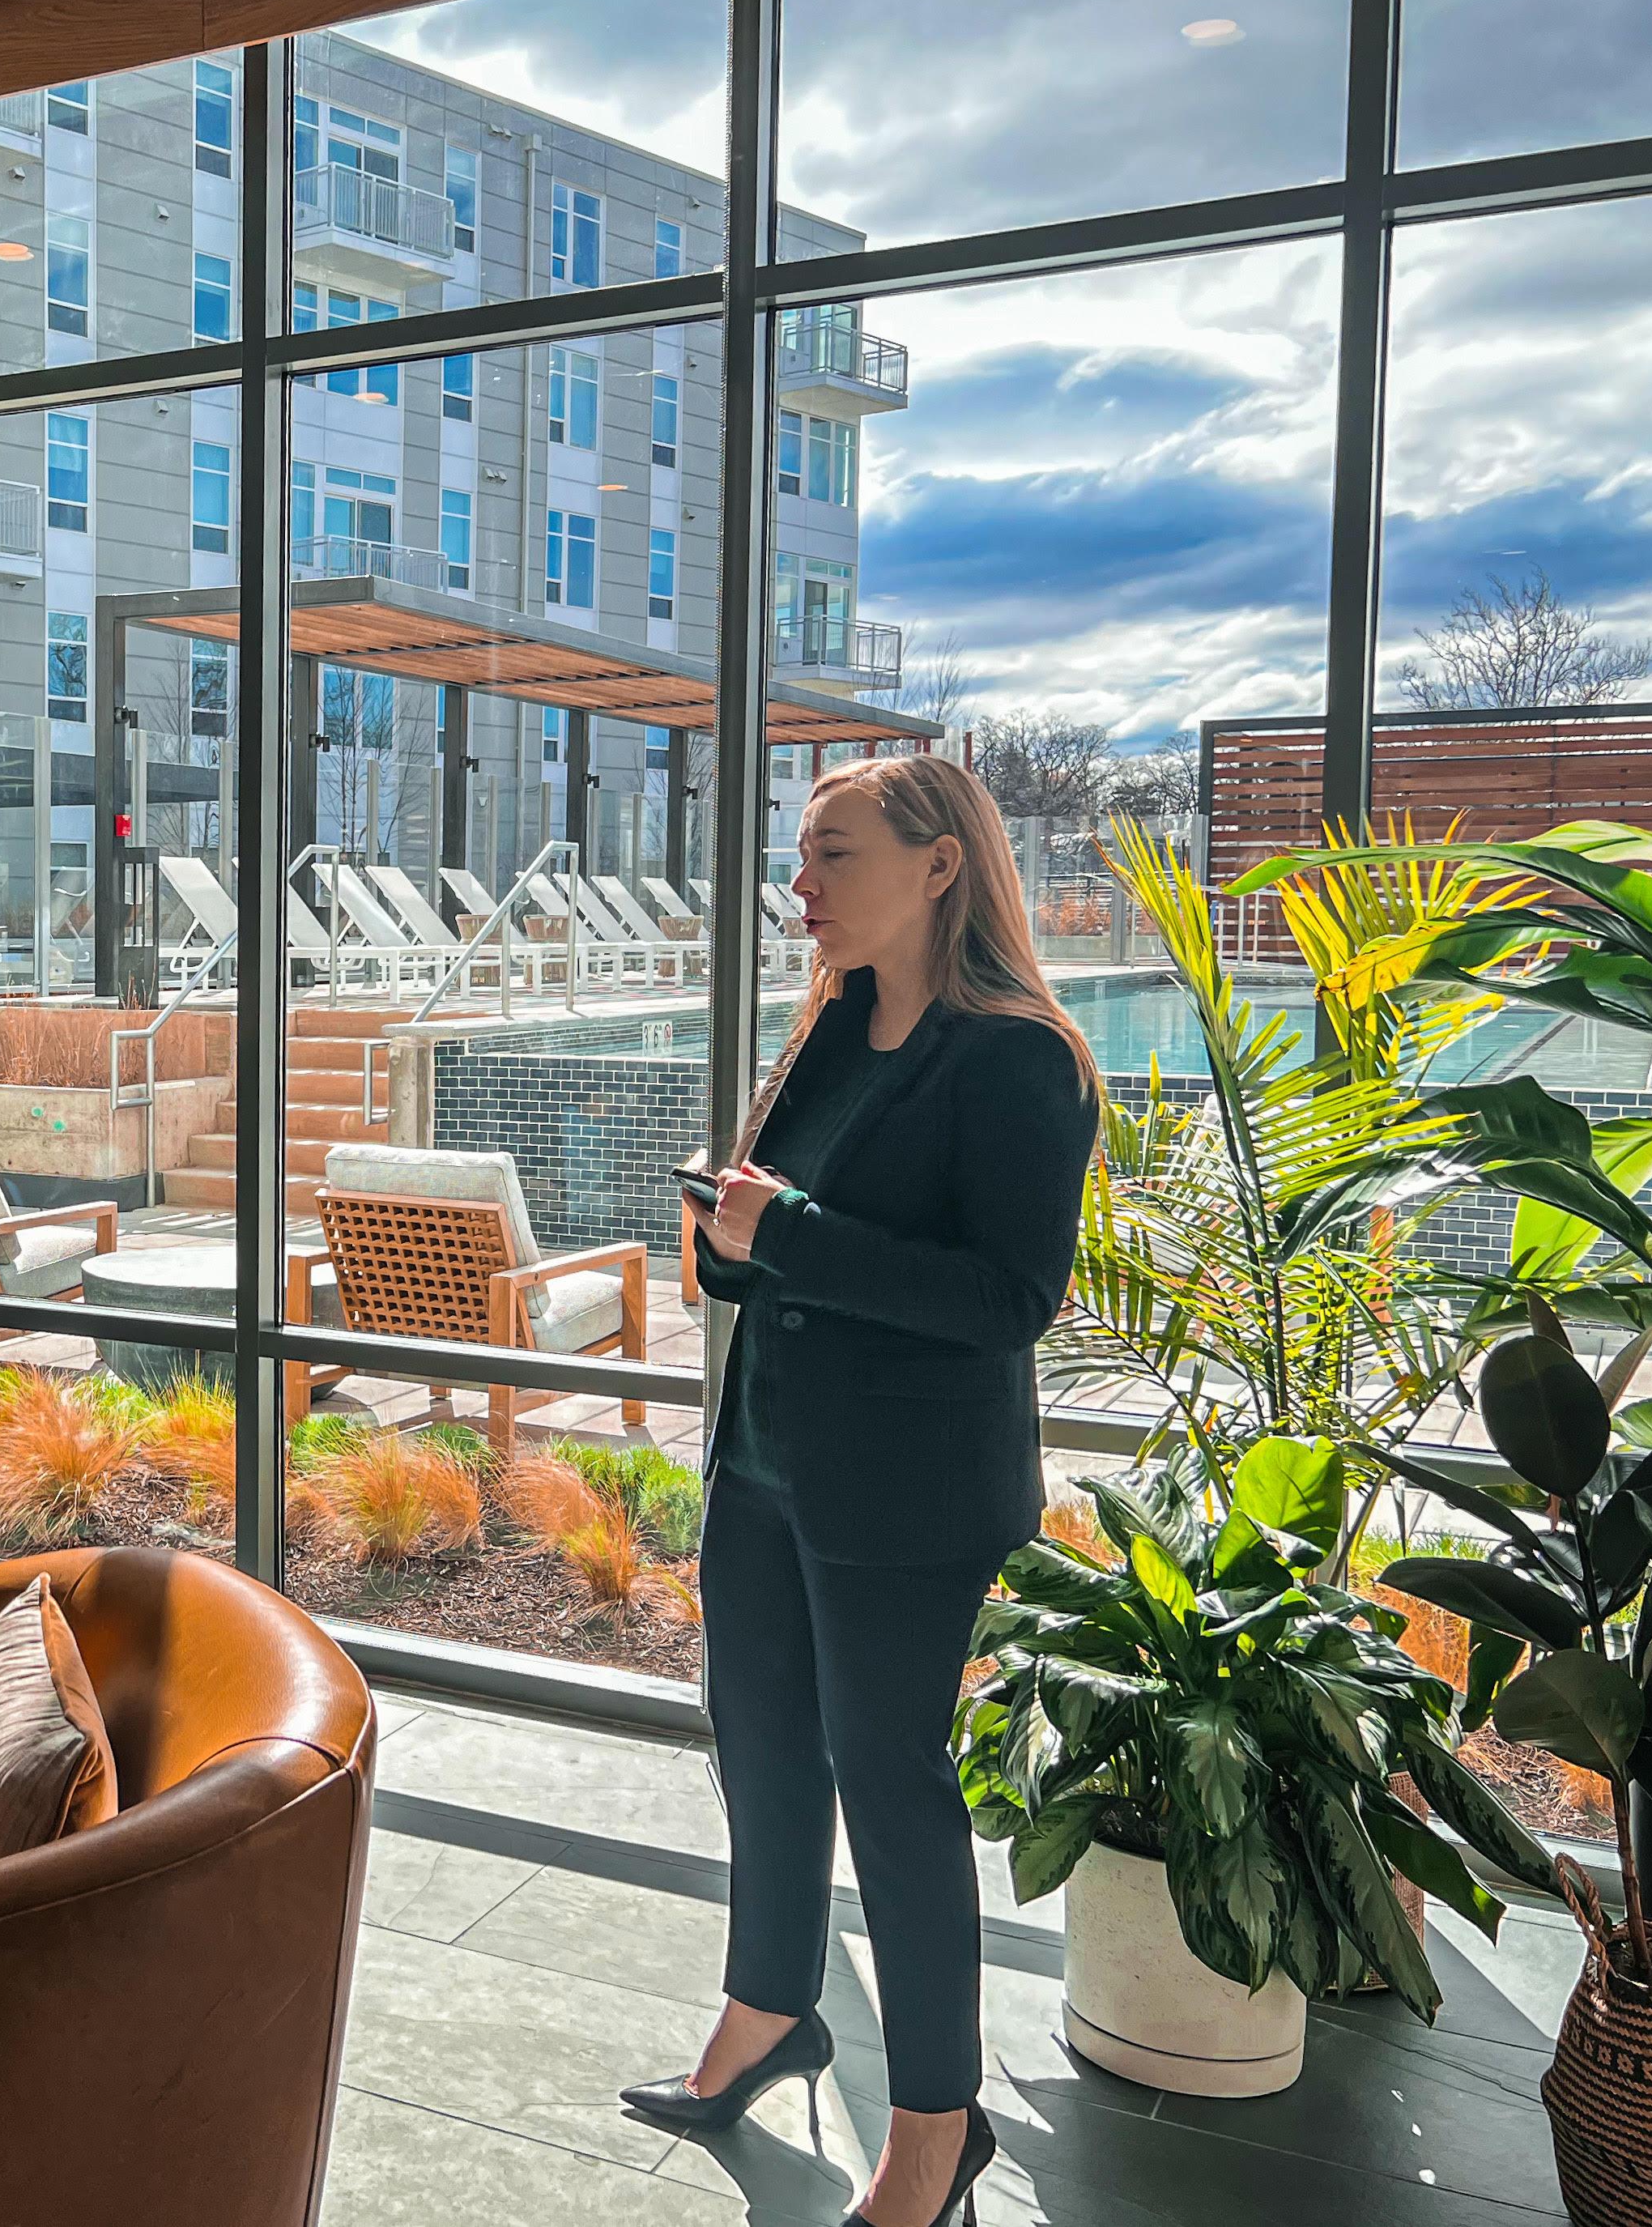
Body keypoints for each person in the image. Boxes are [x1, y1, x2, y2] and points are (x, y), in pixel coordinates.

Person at [619, 754, 1098, 2227]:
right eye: (798, 853)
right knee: (757, 1746)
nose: (798, 884)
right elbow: (758, 1235)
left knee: (889, 1795)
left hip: (903, 1495)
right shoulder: (828, 1028)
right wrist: (724, 1230)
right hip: (762, 1461)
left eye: (828, 853)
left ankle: (935, 2129)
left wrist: (790, 1232)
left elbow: (1009, 1297)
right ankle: (768, 2010)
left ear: (937, 863)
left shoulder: (1016, 1056)